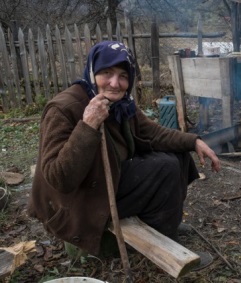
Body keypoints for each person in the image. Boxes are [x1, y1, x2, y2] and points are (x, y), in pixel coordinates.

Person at [27, 41, 220, 261]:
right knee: (165, 168)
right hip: (76, 202)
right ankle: (162, 248)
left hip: (104, 179)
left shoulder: (122, 104)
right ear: (92, 72)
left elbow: (152, 134)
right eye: (106, 73)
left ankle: (164, 225)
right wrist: (88, 125)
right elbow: (59, 178)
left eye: (123, 76)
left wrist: (193, 141)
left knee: (178, 155)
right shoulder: (63, 108)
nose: (115, 83)